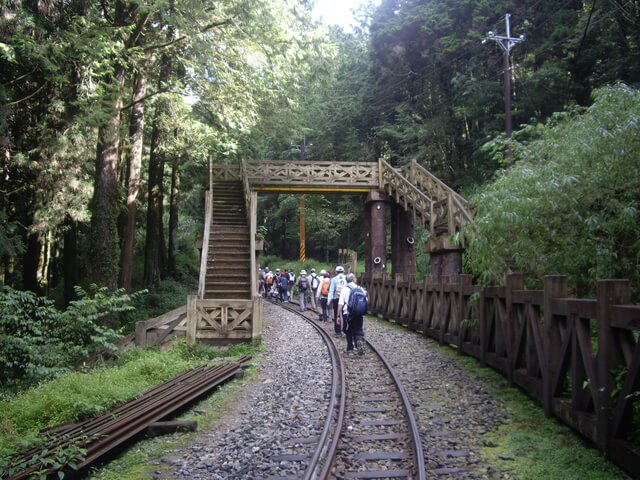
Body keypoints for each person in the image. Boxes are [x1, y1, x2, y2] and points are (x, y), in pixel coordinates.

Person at [338, 273, 367, 355]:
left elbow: (340, 303)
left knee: (348, 330)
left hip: (348, 313)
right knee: (358, 329)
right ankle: (359, 341)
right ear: (353, 279)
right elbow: (366, 300)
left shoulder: (344, 289)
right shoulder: (360, 288)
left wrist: (338, 315)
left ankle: (350, 348)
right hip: (359, 313)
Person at [327, 265, 347, 336]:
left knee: (337, 314)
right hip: (345, 299)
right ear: (343, 271)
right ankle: (345, 330)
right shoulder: (346, 278)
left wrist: (329, 300)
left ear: (336, 272)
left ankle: (338, 332)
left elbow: (331, 291)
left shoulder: (334, 279)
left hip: (337, 299)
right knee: (345, 314)